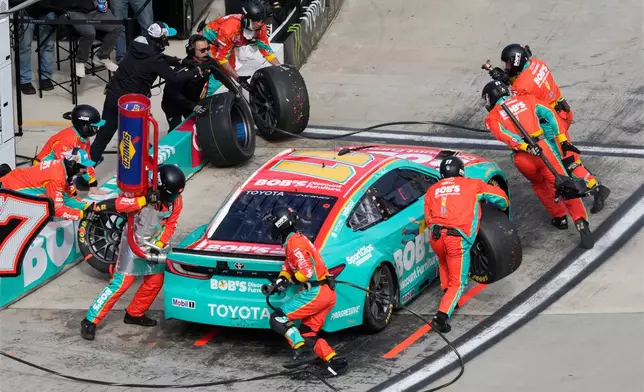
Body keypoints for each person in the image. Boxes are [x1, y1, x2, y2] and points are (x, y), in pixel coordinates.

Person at [491, 44, 610, 213]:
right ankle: (591, 184)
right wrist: (507, 78)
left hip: (550, 123)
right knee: (568, 156)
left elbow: (518, 103)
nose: (507, 68)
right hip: (562, 111)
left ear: (516, 62)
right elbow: (528, 80)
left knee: (564, 162)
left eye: (508, 64)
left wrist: (503, 82)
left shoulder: (521, 87)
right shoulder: (537, 63)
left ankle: (596, 188)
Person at [482, 80, 594, 249]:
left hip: (523, 157)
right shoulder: (526, 99)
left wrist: (525, 146)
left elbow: (505, 136)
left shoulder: (493, 117)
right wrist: (562, 139)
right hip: (542, 148)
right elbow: (550, 114)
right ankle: (580, 222)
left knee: (539, 185)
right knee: (563, 182)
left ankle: (559, 217)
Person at [80, 164, 185, 341]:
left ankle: (135, 313)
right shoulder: (139, 192)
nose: (172, 200)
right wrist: (144, 200)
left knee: (154, 282)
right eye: (169, 196)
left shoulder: (176, 201)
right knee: (121, 284)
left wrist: (159, 243)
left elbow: (171, 224)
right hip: (132, 244)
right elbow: (119, 205)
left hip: (154, 245)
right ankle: (90, 320)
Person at [89, 22, 202, 166]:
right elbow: (174, 78)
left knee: (104, 133)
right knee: (138, 131)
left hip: (113, 94)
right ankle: (139, 166)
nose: (167, 41)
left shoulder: (137, 45)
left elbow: (159, 57)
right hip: (131, 102)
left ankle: (88, 167)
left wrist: (179, 61)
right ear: (160, 40)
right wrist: (196, 71)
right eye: (166, 38)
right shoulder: (154, 60)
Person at [424, 157, 509, 333]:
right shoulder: (472, 184)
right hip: (457, 238)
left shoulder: (432, 191)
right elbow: (500, 197)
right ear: (461, 171)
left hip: (436, 236)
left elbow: (428, 218)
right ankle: (441, 317)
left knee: (444, 263)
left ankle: (449, 298)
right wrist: (502, 206)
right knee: (458, 283)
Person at [264, 205, 348, 376]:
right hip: (326, 293)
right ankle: (335, 361)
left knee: (277, 318)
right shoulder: (294, 240)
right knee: (307, 332)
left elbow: (306, 272)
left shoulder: (294, 243)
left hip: (316, 292)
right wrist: (280, 280)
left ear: (280, 223)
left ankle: (302, 351)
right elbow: (289, 266)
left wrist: (288, 283)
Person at [199, 0, 280, 88]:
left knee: (230, 69)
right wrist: (238, 78)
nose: (259, 24)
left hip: (228, 44)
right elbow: (222, 58)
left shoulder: (260, 28)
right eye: (256, 21)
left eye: (261, 21)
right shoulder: (230, 29)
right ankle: (205, 96)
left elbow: (266, 50)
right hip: (208, 42)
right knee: (218, 76)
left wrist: (280, 67)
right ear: (246, 19)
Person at [0, 149, 96, 221]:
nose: (85, 170)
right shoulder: (57, 177)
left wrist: (85, 206)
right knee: (45, 209)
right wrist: (81, 214)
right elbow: (57, 209)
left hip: (12, 181)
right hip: (8, 191)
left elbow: (67, 198)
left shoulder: (62, 167)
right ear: (73, 164)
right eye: (83, 166)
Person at [33, 104, 107, 195]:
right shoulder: (67, 140)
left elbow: (86, 162)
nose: (97, 130)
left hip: (56, 170)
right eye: (94, 127)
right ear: (83, 125)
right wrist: (71, 191)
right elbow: (64, 168)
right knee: (65, 200)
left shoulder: (84, 139)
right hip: (42, 170)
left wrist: (93, 185)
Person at [53, 0, 122, 77]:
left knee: (117, 27)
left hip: (95, 10)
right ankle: (80, 61)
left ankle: (101, 57)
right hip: (75, 11)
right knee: (89, 32)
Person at [161, 34, 212, 130]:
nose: (206, 52)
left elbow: (221, 75)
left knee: (199, 127)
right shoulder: (181, 70)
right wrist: (193, 106)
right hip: (173, 105)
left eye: (207, 48)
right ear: (192, 51)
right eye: (202, 50)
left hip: (190, 101)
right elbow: (172, 93)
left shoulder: (209, 62)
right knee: (176, 132)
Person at [15, 0, 57, 94]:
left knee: (48, 46)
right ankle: (25, 80)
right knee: (24, 47)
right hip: (24, 9)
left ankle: (45, 77)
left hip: (49, 10)